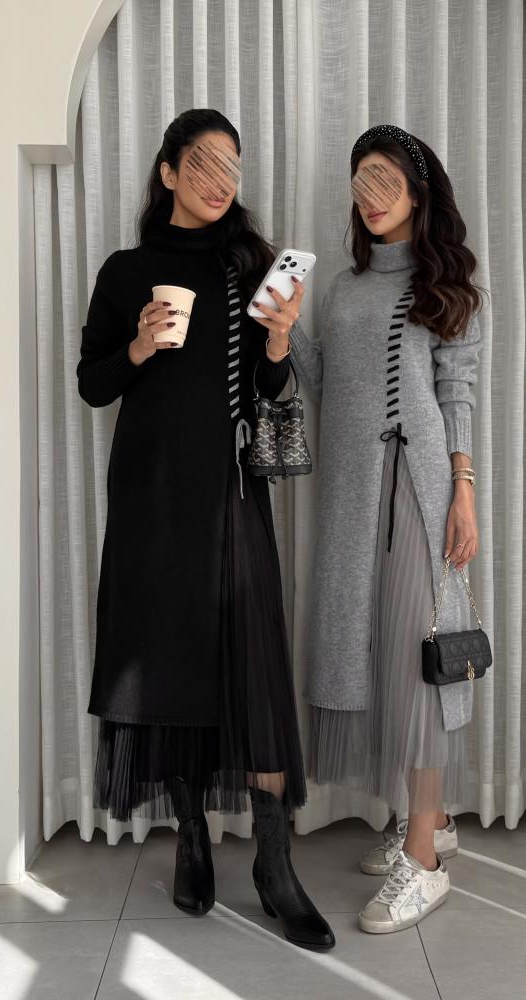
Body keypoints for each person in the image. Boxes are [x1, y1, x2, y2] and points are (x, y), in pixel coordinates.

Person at [77, 107, 334, 952]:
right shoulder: (126, 272)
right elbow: (92, 382)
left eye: (232, 165)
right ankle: (191, 837)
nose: (221, 179)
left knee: (254, 667)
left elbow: (268, 391)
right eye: (204, 162)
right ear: (167, 173)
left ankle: (274, 863)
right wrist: (139, 348)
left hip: (232, 494)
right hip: (151, 499)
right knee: (170, 663)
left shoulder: (250, 264)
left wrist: (280, 340)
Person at [268, 124, 484, 933]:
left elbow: (457, 392)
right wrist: (288, 336)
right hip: (354, 496)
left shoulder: (445, 283)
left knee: (421, 662)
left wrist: (463, 492)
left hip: (419, 491)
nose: (370, 193)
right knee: (378, 657)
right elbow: (330, 387)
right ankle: (430, 820)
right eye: (361, 179)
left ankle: (425, 860)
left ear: (418, 194)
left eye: (385, 178)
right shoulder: (345, 287)